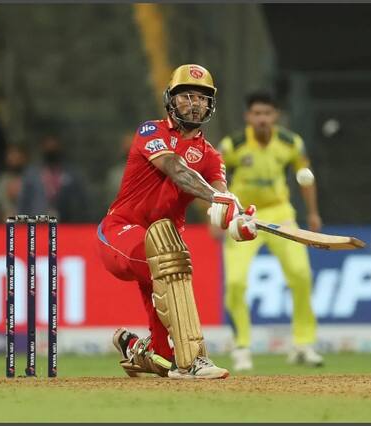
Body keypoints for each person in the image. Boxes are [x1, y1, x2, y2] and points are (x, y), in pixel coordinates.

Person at [96, 64, 258, 380]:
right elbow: (176, 169)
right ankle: (194, 359)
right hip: (119, 232)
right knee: (170, 261)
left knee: (163, 357)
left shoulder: (211, 156)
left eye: (201, 98)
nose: (194, 103)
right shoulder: (150, 131)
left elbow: (222, 197)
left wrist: (238, 219)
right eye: (186, 96)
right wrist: (218, 198)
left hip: (163, 244)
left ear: (210, 105)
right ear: (171, 100)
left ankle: (140, 349)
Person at [217, 90, 324, 371]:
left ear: (275, 116)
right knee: (235, 283)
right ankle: (242, 347)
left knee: (301, 275)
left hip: (280, 213)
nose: (262, 119)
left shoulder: (290, 143)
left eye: (267, 113)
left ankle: (303, 345)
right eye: (257, 114)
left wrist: (313, 212)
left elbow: (305, 176)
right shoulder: (233, 145)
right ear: (247, 117)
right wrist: (215, 216)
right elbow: (214, 179)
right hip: (243, 215)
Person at [18, 136, 89, 222]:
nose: (51, 150)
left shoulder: (71, 173)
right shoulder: (32, 173)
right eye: (48, 147)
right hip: (38, 221)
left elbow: (81, 200)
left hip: (65, 222)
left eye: (54, 147)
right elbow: (24, 201)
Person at [0, 144, 29, 221]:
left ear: (23, 158)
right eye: (11, 155)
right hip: (8, 218)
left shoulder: (32, 177)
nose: (13, 159)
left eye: (16, 155)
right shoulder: (2, 179)